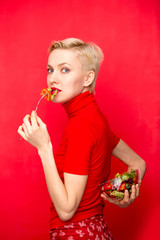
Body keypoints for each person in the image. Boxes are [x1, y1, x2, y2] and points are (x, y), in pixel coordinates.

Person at [17, 38, 146, 239]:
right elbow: (138, 163)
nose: (53, 79)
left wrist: (44, 148)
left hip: (77, 233)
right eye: (50, 70)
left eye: (65, 70)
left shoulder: (81, 126)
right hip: (95, 230)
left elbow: (67, 211)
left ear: (88, 78)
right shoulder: (95, 118)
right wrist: (124, 191)